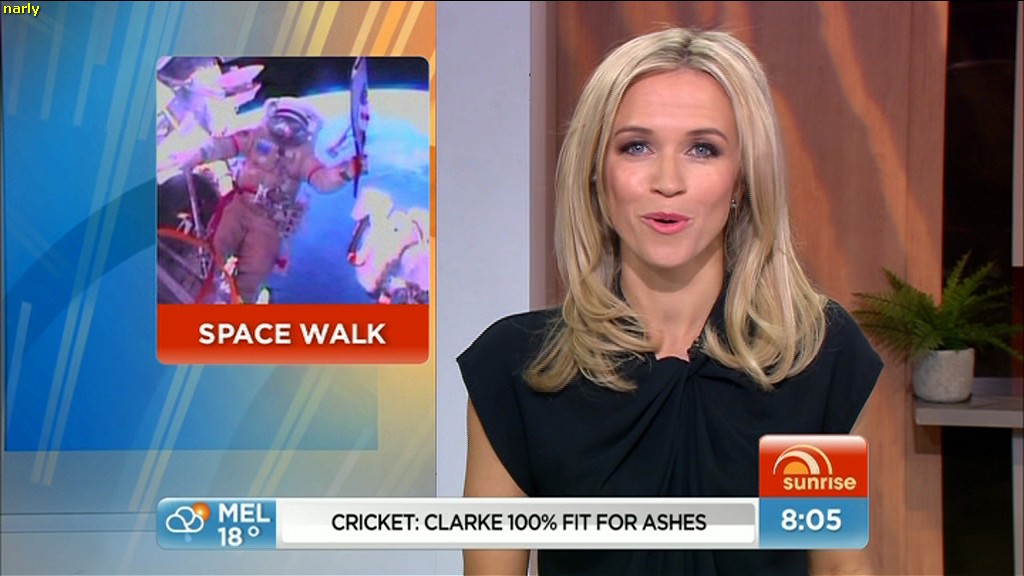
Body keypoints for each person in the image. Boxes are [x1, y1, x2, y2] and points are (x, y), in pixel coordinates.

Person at [457, 27, 883, 576]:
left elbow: (840, 566)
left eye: (703, 149)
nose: (668, 180)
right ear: (597, 174)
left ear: (742, 180)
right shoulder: (518, 368)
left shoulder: (813, 357)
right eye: (637, 146)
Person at [175, 96, 362, 303]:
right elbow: (226, 145)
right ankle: (192, 291)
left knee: (254, 272)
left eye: (293, 126)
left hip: (269, 223)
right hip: (240, 206)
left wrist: (346, 171)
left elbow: (323, 180)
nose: (286, 131)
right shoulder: (256, 137)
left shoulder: (303, 157)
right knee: (213, 250)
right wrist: (198, 155)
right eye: (283, 122)